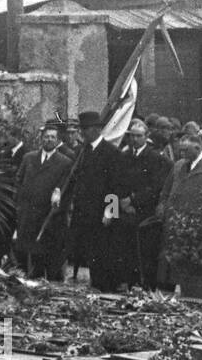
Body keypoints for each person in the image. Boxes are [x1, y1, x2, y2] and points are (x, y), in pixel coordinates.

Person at [63, 110, 127, 291]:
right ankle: (96, 284)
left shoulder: (111, 152)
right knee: (91, 251)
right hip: (85, 212)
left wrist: (110, 211)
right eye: (82, 129)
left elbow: (116, 186)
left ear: (97, 129)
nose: (83, 133)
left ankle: (107, 287)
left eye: (87, 129)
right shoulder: (83, 152)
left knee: (104, 251)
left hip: (102, 213)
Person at [156, 130, 202, 288]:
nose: (181, 153)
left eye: (185, 150)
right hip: (173, 223)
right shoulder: (178, 165)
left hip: (195, 227)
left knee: (191, 269)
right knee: (169, 268)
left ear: (197, 148)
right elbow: (166, 191)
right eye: (180, 150)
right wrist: (162, 206)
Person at [13, 122, 72, 279]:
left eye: (52, 137)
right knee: (28, 256)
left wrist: (57, 206)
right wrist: (20, 204)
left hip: (49, 217)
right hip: (29, 215)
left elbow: (66, 190)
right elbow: (18, 182)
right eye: (46, 137)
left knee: (49, 257)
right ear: (41, 138)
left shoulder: (64, 162)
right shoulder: (29, 158)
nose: (49, 140)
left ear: (57, 140)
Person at [121, 117, 171, 287]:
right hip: (124, 211)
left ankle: (147, 286)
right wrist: (121, 203)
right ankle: (129, 283)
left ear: (146, 137)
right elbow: (117, 183)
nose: (134, 139)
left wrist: (133, 200)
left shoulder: (155, 158)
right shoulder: (124, 156)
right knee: (127, 251)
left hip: (145, 213)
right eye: (132, 136)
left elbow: (156, 187)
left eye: (138, 136)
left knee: (147, 253)